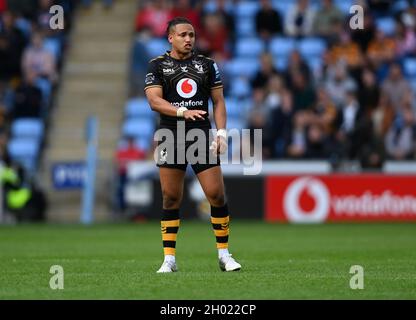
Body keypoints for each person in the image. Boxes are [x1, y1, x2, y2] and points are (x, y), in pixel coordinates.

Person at [144, 17, 241, 273]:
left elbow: (218, 102)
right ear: (171, 37)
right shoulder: (157, 65)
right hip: (170, 134)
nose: (189, 39)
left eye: (192, 35)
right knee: (171, 197)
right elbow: (154, 101)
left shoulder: (207, 65)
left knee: (216, 194)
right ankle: (169, 259)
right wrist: (181, 112)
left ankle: (224, 254)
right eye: (184, 35)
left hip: (200, 134)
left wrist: (221, 133)